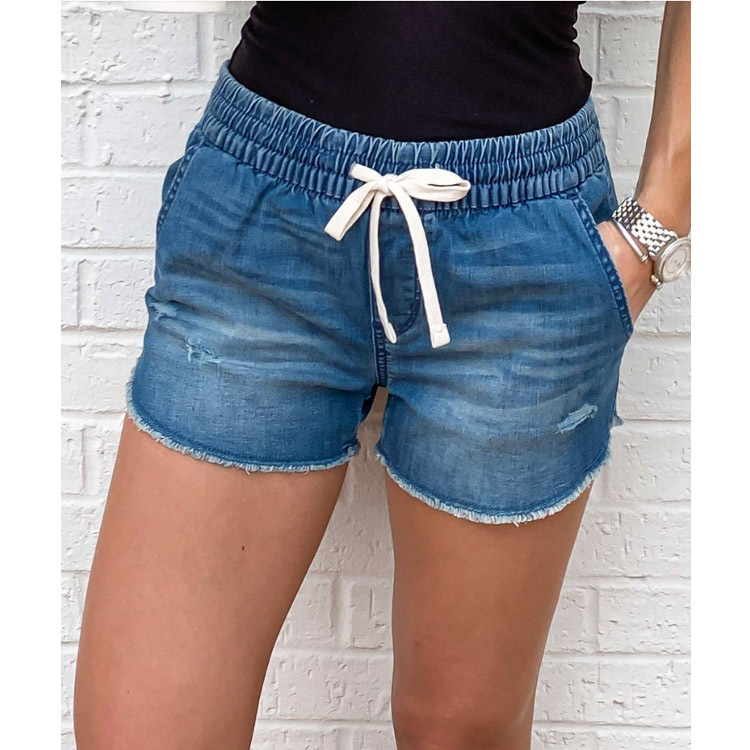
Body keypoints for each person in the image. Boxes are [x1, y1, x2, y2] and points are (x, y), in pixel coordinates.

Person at [73, 3, 691, 748]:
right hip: (264, 219)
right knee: (146, 726)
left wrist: (657, 226)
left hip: (524, 249)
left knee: (458, 731)